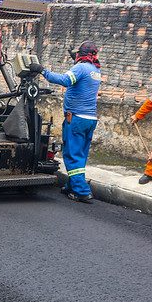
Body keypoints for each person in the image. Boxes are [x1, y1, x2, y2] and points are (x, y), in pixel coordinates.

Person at [28, 41, 102, 203]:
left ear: (81, 55)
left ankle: (81, 191)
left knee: (72, 154)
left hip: (76, 119)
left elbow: (64, 80)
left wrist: (42, 70)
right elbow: (82, 78)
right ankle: (72, 185)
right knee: (80, 154)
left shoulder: (81, 68)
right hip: (90, 119)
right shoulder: (96, 70)